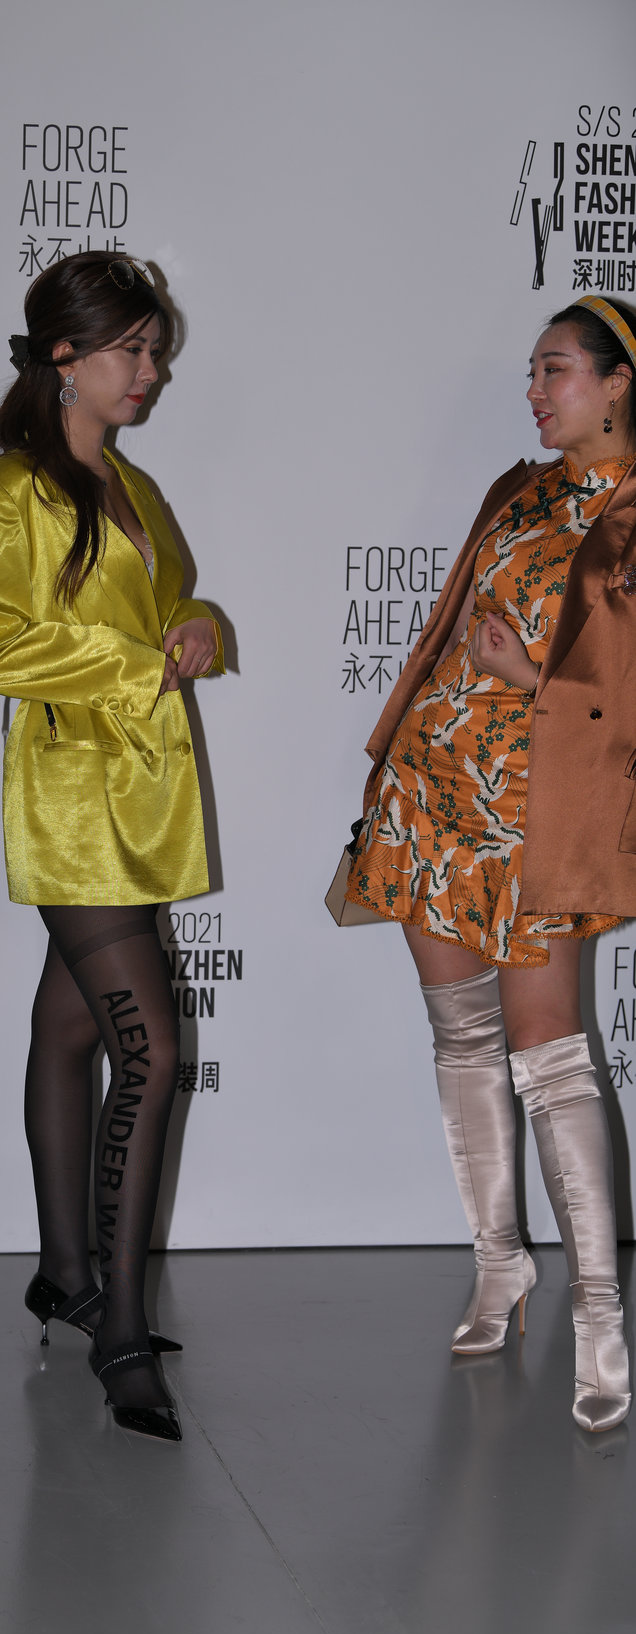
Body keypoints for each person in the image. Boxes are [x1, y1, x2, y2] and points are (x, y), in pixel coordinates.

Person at [346, 294, 636, 1432]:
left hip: (537, 817)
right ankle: (498, 1263)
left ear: (616, 383)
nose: (534, 390)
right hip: (435, 799)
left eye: (554, 369)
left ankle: (600, 1310)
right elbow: (444, 636)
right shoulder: (517, 493)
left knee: (550, 1059)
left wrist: (526, 679)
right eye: (531, 371)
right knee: (460, 1039)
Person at [0, 252, 222, 1443]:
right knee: (148, 1054)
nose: (149, 371)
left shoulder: (131, 483)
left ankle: (64, 1273)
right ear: (65, 358)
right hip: (72, 797)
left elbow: (168, 600)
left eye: (155, 351)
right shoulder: (5, 494)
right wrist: (127, 667)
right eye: (133, 350)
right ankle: (118, 1327)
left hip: (146, 794)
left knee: (67, 1029)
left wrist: (195, 626)